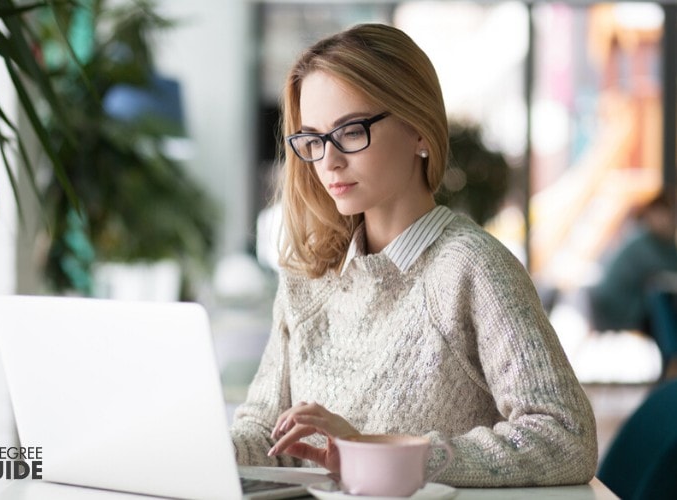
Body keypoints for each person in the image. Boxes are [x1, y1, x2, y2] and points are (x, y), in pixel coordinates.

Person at [230, 23, 597, 487]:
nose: (329, 161)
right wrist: (199, 449)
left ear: (419, 130)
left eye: (350, 131)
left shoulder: (472, 268)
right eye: (313, 140)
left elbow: (567, 437)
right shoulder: (308, 276)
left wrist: (379, 453)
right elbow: (265, 431)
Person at [588, 194, 677, 335]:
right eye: (664, 216)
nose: (668, 222)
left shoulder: (665, 246)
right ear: (650, 216)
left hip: (636, 306)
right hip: (619, 307)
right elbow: (662, 274)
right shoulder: (642, 242)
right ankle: (671, 354)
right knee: (659, 298)